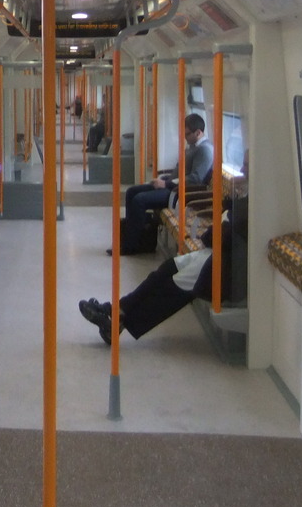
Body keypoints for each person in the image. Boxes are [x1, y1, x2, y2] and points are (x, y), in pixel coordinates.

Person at [81, 195, 247, 343]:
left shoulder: (250, 206)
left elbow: (219, 236)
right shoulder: (243, 199)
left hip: (223, 263)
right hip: (210, 253)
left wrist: (222, 220)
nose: (243, 171)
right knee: (165, 270)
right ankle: (117, 309)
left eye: (246, 166)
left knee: (170, 290)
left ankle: (118, 321)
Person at [110, 113, 212, 255]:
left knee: (139, 200)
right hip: (171, 184)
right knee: (131, 192)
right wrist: (165, 179)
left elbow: (196, 179)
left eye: (188, 134)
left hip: (178, 192)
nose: (185, 137)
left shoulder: (204, 150)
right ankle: (131, 238)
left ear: (199, 132)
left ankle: (131, 246)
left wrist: (166, 184)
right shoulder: (193, 146)